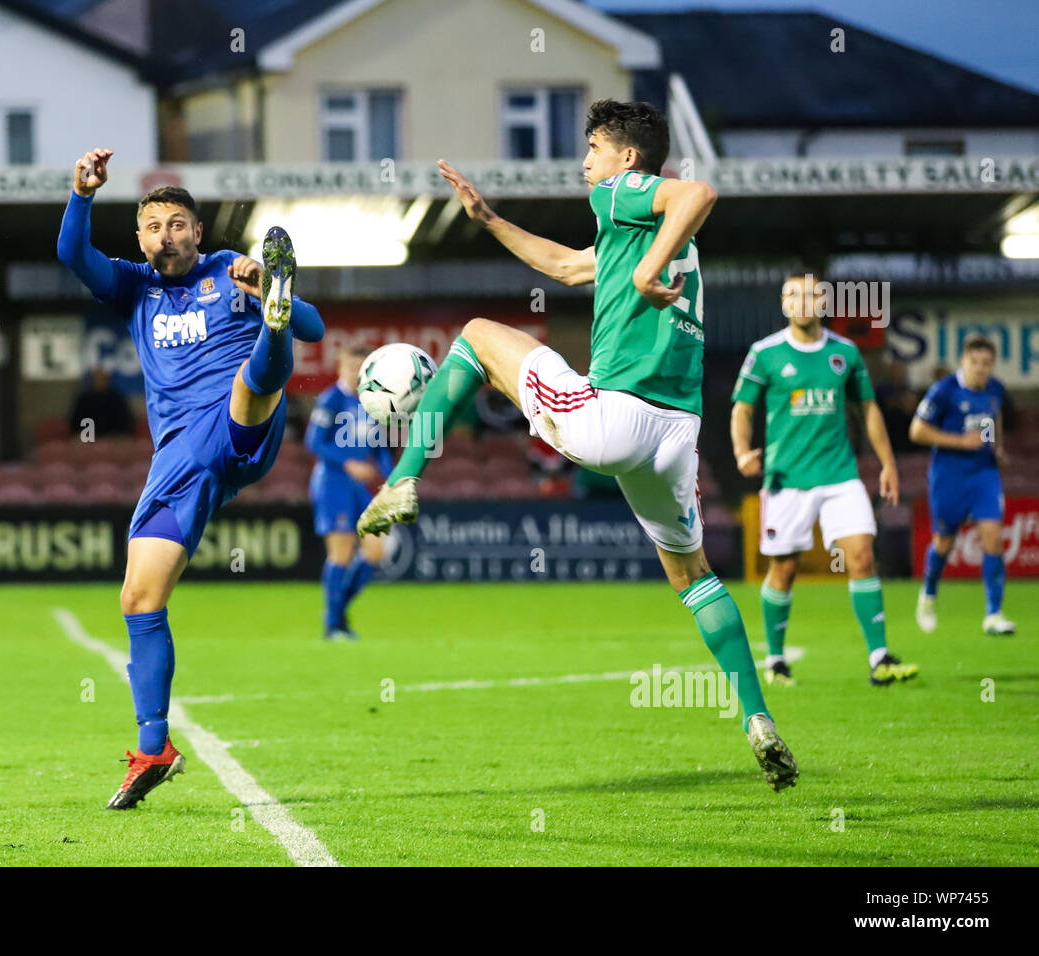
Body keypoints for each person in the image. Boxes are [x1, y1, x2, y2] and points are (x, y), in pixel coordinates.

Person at [357, 99, 799, 793]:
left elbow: (701, 190)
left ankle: (403, 477)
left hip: (614, 415)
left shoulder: (620, 193)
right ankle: (759, 719)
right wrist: (491, 220)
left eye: (594, 146)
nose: (585, 161)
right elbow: (567, 269)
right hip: (675, 434)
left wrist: (649, 270)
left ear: (628, 158)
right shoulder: (653, 233)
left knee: (474, 334)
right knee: (694, 577)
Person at [57, 147, 325, 808]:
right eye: (153, 227)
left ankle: (271, 328)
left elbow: (317, 328)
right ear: (141, 238)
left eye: (177, 225)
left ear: (197, 232)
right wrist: (82, 196)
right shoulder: (131, 286)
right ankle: (154, 747)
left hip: (241, 426)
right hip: (179, 461)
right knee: (138, 599)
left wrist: (265, 287)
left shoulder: (231, 270)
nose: (165, 236)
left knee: (253, 377)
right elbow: (72, 255)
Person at [731, 271, 919, 688]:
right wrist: (743, 451)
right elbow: (742, 409)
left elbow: (868, 410)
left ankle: (879, 657)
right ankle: (776, 659)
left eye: (813, 294)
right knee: (784, 568)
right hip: (787, 480)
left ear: (824, 302)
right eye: (795, 295)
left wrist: (887, 463)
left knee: (862, 554)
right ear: (784, 303)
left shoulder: (846, 353)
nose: (804, 301)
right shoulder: (765, 353)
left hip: (839, 475)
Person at [911, 335, 1015, 635]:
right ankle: (928, 594)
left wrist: (998, 445)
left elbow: (996, 417)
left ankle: (993, 614)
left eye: (986, 363)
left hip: (984, 473)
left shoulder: (995, 388)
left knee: (993, 538)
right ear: (963, 361)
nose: (981, 369)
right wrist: (959, 441)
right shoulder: (945, 391)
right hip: (949, 475)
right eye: (975, 362)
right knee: (944, 542)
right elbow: (917, 430)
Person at [305, 346, 391, 640]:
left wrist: (393, 480)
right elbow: (314, 443)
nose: (356, 372)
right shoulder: (331, 399)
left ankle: (336, 611)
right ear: (341, 366)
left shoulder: (373, 402)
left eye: (361, 367)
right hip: (332, 483)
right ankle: (333, 625)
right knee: (340, 553)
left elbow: (380, 449)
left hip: (359, 488)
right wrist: (349, 464)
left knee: (376, 551)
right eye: (351, 366)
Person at [68, 367, 134, 438]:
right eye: (97, 379)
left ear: (107, 380)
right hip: (88, 434)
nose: (100, 381)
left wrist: (115, 432)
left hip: (113, 435)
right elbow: (75, 421)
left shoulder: (117, 398)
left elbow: (126, 420)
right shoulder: (84, 399)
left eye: (103, 378)